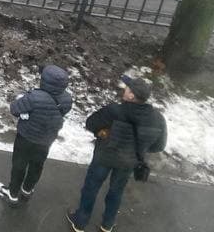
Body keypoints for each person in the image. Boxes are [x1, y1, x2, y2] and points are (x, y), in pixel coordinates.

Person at [67, 74, 167, 232]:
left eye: (127, 88)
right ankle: (107, 224)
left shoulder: (114, 110)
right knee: (116, 191)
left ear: (131, 95)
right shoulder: (158, 119)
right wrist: (140, 148)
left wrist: (102, 132)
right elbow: (159, 146)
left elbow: (90, 123)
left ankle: (80, 221)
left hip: (104, 157)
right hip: (128, 162)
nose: (124, 88)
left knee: (91, 188)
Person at [0, 65, 73, 206]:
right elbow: (62, 112)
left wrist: (21, 99)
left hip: (26, 137)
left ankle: (12, 194)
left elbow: (15, 109)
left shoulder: (34, 97)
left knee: (19, 165)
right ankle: (27, 190)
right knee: (37, 165)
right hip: (46, 139)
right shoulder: (67, 99)